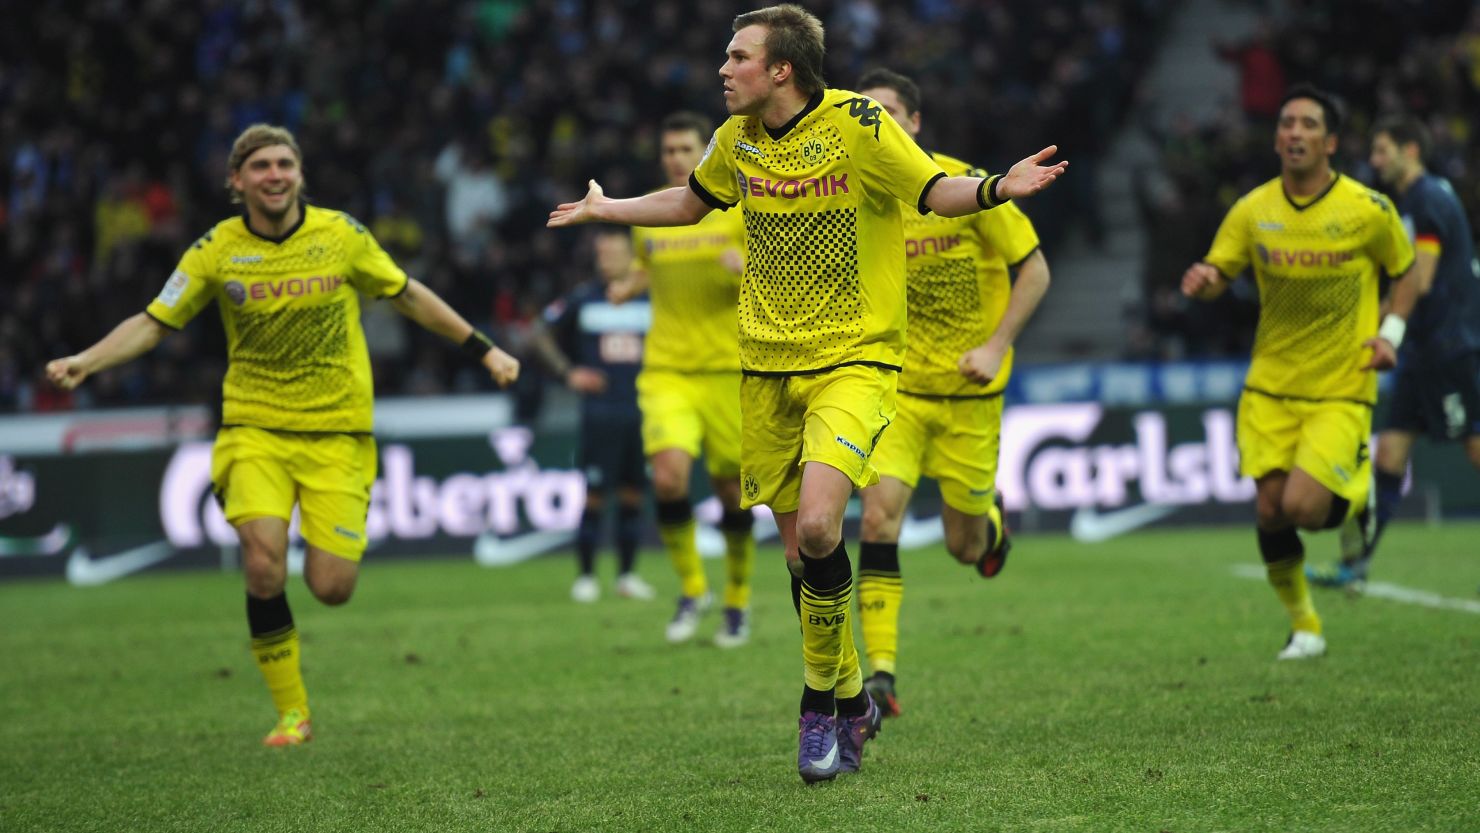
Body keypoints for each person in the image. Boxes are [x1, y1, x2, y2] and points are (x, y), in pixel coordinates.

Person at [548, 4, 1066, 782]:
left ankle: (816, 706)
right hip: (764, 368)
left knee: (824, 529)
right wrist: (607, 208)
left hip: (853, 361)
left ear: (780, 68)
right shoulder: (737, 141)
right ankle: (853, 696)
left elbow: (934, 191)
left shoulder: (857, 123)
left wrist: (997, 186)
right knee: (799, 557)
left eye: (737, 56)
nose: (723, 69)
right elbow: (690, 203)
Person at [45, 124, 520, 745]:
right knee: (263, 563)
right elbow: (155, 321)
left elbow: (408, 296)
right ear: (237, 181)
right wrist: (88, 360)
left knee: (332, 588)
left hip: (338, 432)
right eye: (261, 166)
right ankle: (292, 713)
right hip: (254, 427)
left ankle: (305, 651)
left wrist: (482, 349)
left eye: (285, 164)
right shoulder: (216, 249)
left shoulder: (341, 235)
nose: (275, 175)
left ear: (299, 174)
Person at [1181, 86, 1415, 660]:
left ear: (1330, 141)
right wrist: (1206, 284)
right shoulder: (1254, 209)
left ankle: (1359, 504)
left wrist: (1390, 336)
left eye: (1308, 124)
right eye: (1286, 123)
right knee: (1269, 509)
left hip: (1340, 385)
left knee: (1305, 509)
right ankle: (1305, 624)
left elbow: (1405, 274)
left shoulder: (1368, 210)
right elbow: (1218, 270)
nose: (1293, 133)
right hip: (1270, 386)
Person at [852, 68, 1051, 718]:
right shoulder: (854, 200)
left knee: (963, 548)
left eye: (886, 113)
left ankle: (988, 525)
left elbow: (1035, 269)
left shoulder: (964, 185)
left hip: (970, 392)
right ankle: (881, 675)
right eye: (865, 114)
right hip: (897, 393)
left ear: (912, 122)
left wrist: (995, 347)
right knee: (878, 519)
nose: (875, 125)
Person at [1308, 115, 1480, 590]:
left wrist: (1374, 321)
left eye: (1383, 151)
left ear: (1410, 149)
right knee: (1388, 455)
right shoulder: (1417, 200)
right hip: (1424, 351)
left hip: (1449, 348)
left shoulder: (1426, 201)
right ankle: (1356, 565)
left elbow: (1419, 280)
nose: (1375, 160)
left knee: (1475, 446)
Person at [608, 112, 756, 646]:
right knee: (669, 478)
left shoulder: (738, 210)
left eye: (684, 149)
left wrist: (749, 268)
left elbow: (775, 272)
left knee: (731, 492)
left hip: (726, 370)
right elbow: (649, 266)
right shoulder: (652, 216)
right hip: (667, 369)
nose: (674, 158)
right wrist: (628, 286)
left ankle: (737, 598)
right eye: (668, 150)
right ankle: (693, 588)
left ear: (705, 151)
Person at [527, 228, 656, 604]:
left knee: (634, 494)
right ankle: (585, 577)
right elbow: (539, 333)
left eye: (614, 253)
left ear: (630, 255)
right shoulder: (583, 298)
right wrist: (569, 373)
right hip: (600, 413)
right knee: (596, 494)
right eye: (601, 254)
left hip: (643, 408)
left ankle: (627, 576)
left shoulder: (650, 296)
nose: (607, 260)